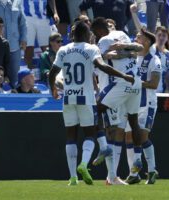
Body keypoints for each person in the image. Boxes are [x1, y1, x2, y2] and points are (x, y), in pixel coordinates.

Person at [48, 21, 134, 186]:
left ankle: (73, 177)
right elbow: (102, 66)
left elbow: (52, 73)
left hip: (68, 98)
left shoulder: (63, 50)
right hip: (86, 98)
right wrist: (123, 76)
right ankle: (84, 164)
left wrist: (53, 88)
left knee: (70, 137)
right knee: (89, 135)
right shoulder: (91, 49)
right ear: (86, 34)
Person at [91, 17, 144, 179]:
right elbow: (135, 51)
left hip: (120, 83)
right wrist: (121, 52)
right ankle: (138, 159)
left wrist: (112, 54)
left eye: (95, 33)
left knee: (95, 110)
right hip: (136, 82)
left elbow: (101, 60)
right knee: (133, 122)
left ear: (99, 31)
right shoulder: (122, 34)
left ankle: (103, 146)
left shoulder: (104, 40)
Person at [125, 28, 161, 185]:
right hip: (131, 103)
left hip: (147, 104)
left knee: (141, 136)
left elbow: (154, 84)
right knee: (131, 137)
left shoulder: (154, 60)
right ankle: (142, 172)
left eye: (139, 36)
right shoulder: (131, 59)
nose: (136, 37)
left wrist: (136, 82)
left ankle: (144, 169)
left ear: (146, 41)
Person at [23, 0, 52, 69]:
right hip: (26, 17)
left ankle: (49, 69)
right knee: (29, 46)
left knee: (46, 47)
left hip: (43, 17)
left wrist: (55, 13)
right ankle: (29, 70)